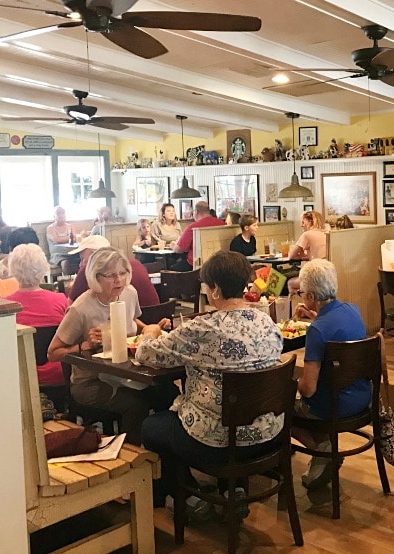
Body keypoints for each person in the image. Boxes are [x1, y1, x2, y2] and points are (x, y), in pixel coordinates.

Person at [138, 251, 283, 516]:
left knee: (151, 427)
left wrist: (149, 333)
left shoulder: (202, 328)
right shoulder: (267, 322)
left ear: (214, 288)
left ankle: (188, 498)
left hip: (219, 443)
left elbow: (146, 354)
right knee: (230, 409)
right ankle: (233, 489)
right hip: (268, 433)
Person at [48, 248, 157, 445]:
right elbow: (53, 353)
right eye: (111, 275)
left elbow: (132, 320)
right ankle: (128, 459)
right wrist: (84, 345)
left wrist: (147, 328)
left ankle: (162, 462)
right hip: (90, 382)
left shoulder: (129, 293)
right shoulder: (81, 308)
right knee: (136, 405)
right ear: (95, 277)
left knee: (165, 394)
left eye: (123, 273)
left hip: (127, 374)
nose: (119, 280)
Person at [291, 259, 368, 490]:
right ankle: (323, 455)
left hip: (332, 406)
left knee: (279, 407)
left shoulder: (317, 331)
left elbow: (308, 389)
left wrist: (291, 383)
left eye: (303, 292)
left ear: (312, 296)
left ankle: (321, 450)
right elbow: (333, 331)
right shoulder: (352, 310)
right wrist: (315, 317)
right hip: (362, 397)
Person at [6, 243, 69, 387]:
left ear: (13, 270)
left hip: (20, 376)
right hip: (58, 373)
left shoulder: (5, 306)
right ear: (43, 268)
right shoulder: (60, 300)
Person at [67, 235, 160, 307]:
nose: (80, 264)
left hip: (132, 325)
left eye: (83, 259)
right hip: (157, 319)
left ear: (95, 257)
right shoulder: (136, 263)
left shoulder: (87, 271)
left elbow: (69, 307)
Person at [173, 201, 226, 270]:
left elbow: (180, 249)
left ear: (196, 212)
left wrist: (173, 245)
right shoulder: (222, 224)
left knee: (172, 268)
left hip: (196, 265)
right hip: (219, 264)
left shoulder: (193, 227)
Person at [287, 211, 328, 292]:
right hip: (327, 274)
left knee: (290, 282)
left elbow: (291, 256)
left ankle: (297, 303)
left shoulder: (307, 234)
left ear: (310, 222)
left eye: (303, 222)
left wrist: (301, 255)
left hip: (316, 276)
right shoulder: (327, 233)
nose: (301, 225)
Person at [46, 206, 74, 275]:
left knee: (83, 260)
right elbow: (57, 240)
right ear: (54, 216)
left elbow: (74, 238)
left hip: (72, 252)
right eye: (58, 214)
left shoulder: (70, 226)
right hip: (58, 255)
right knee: (65, 263)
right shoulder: (50, 228)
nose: (61, 216)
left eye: (63, 214)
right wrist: (69, 237)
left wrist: (67, 238)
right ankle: (67, 284)